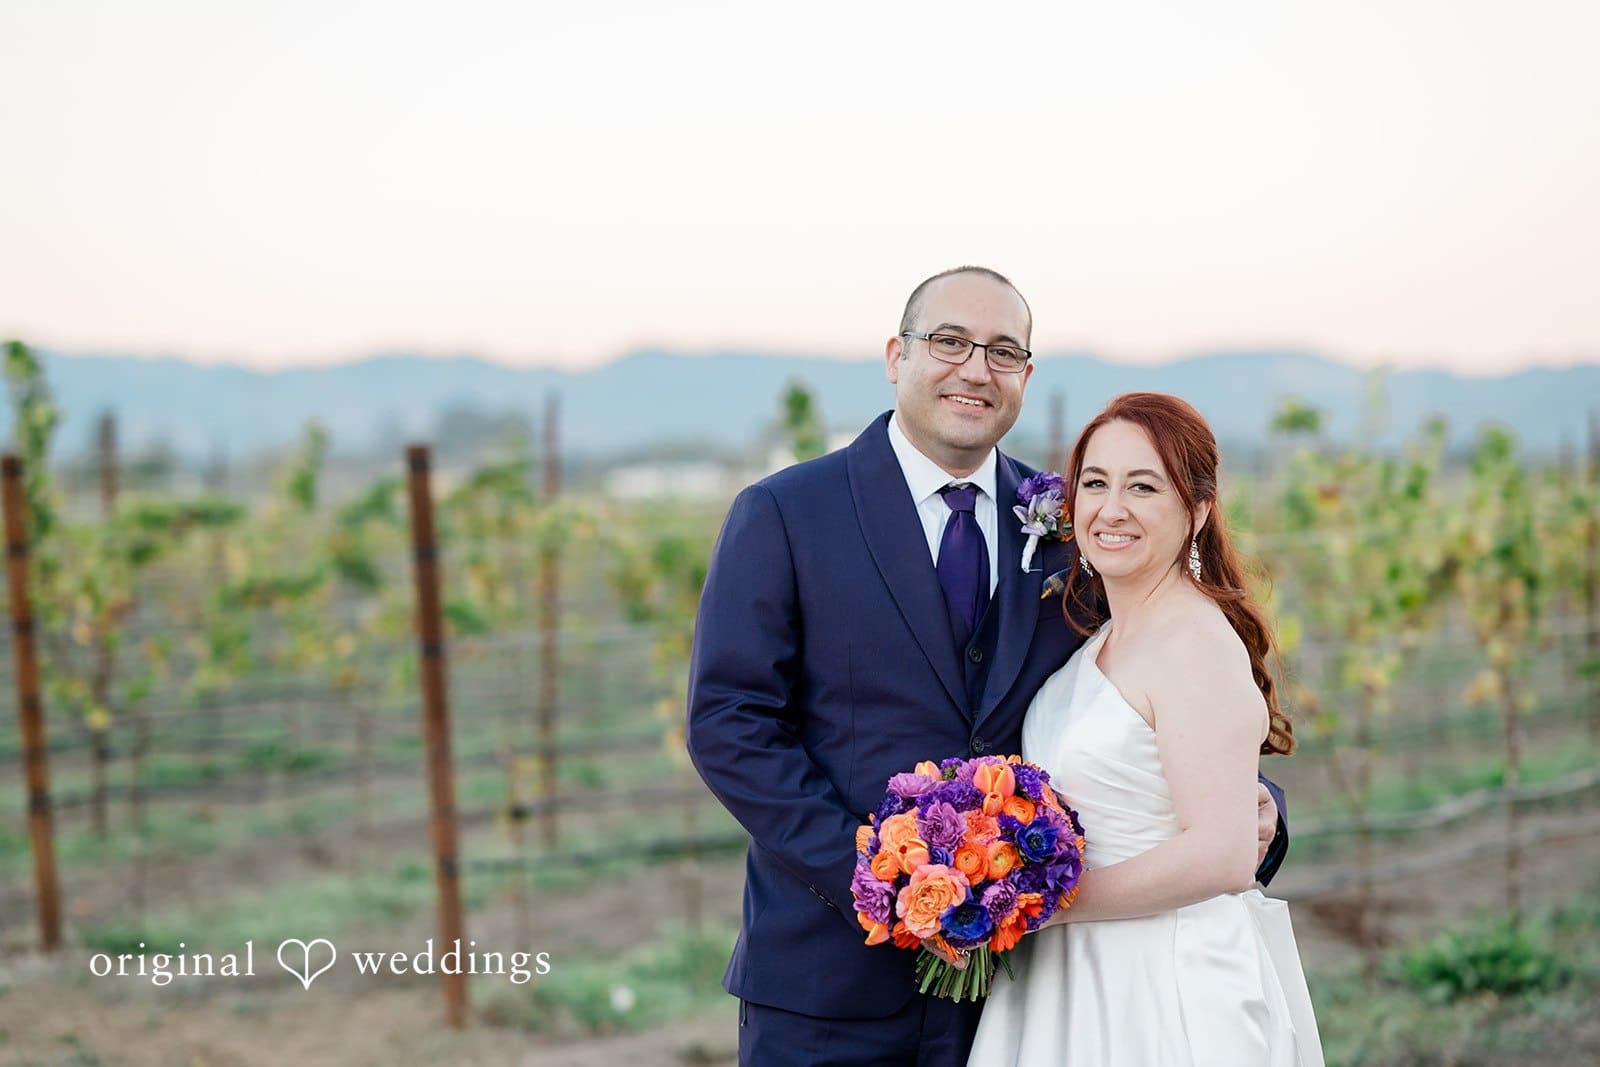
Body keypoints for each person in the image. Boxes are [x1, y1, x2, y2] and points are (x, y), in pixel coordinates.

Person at [686, 268, 1288, 1067]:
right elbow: (729, 723)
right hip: (828, 979)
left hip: (1017, 990)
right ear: (897, 355)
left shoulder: (1074, 531)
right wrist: (883, 881)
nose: (975, 368)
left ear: (1026, 378)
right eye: (949, 341)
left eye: (1003, 350)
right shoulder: (786, 513)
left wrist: (1254, 809)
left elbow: (1150, 692)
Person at [967, 392, 1322, 1066]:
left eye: (1144, 486)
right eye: (1096, 483)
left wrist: (1038, 907)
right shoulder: (1098, 635)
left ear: (1197, 510)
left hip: (1163, 982)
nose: (1112, 508)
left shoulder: (1194, 642)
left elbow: (1221, 855)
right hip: (1073, 976)